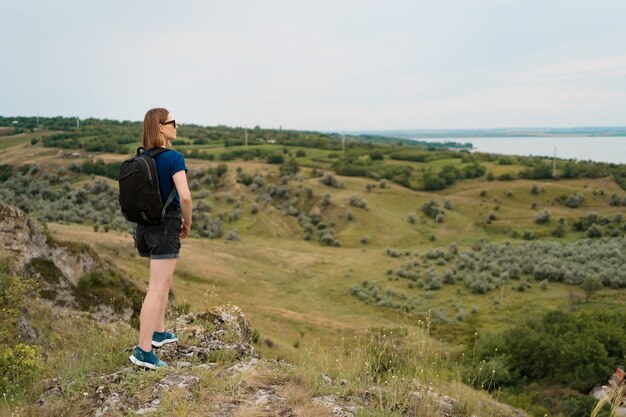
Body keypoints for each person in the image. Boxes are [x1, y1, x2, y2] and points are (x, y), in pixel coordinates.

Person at [128, 108, 192, 369]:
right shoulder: (174, 158)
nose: (176, 126)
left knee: (163, 281)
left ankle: (158, 332)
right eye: (172, 122)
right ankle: (143, 351)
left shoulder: (142, 158)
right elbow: (185, 196)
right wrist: (187, 222)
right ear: (160, 127)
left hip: (144, 228)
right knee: (156, 288)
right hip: (165, 226)